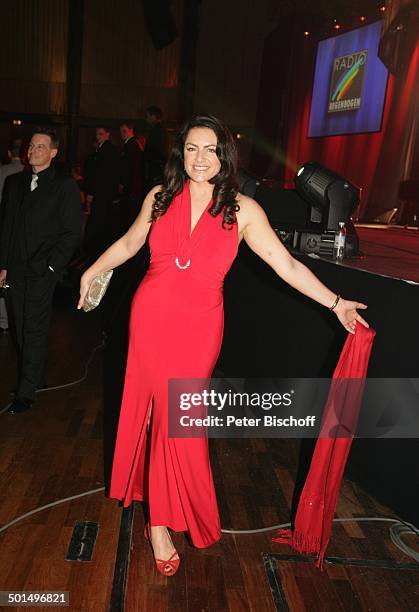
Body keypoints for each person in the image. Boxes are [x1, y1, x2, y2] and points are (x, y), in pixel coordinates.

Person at [78, 114, 369, 576]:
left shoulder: (244, 210)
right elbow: (131, 243)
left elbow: (285, 266)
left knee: (181, 419)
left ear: (224, 155)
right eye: (191, 149)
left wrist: (335, 304)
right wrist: (92, 270)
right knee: (154, 411)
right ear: (181, 154)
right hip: (150, 317)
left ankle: (173, 508)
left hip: (199, 326)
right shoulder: (160, 198)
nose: (199, 158)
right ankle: (158, 523)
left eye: (209, 149)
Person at [0, 128, 82, 413]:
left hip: (42, 270)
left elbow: (72, 232)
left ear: (53, 152)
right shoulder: (13, 183)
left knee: (33, 328)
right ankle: (33, 378)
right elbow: (6, 228)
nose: (32, 150)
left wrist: (51, 265)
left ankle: (26, 392)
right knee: (19, 327)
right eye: (31, 146)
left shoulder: (64, 185)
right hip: (15, 269)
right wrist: (4, 265)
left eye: (39, 146)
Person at [83, 127, 119, 258]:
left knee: (97, 220)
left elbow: (99, 175)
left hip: (101, 192)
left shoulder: (104, 151)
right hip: (106, 192)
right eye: (97, 134)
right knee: (102, 220)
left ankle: (93, 248)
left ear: (107, 135)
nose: (98, 136)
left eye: (101, 134)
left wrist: (92, 192)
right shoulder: (108, 150)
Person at [0, 139, 25, 331]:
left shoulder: (3, 172)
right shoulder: (28, 174)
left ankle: (3, 320)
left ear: (9, 153)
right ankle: (11, 320)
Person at [119, 121, 145, 229]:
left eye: (124, 131)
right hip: (133, 184)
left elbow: (129, 168)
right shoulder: (133, 145)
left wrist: (123, 183)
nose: (122, 134)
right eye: (121, 131)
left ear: (131, 131)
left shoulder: (131, 146)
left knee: (129, 213)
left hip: (131, 185)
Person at [144, 105, 167, 191]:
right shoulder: (161, 130)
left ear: (153, 116)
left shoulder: (156, 131)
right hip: (159, 167)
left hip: (155, 169)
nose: (146, 119)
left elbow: (154, 151)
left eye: (147, 116)